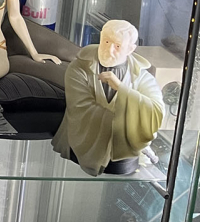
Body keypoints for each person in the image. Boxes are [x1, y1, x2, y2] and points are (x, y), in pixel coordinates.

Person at [52, 20, 163, 176]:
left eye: (117, 46)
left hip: (124, 158)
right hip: (84, 145)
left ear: (130, 49)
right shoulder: (80, 68)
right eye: (106, 41)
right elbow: (80, 108)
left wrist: (121, 88)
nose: (109, 50)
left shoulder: (140, 76)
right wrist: (129, 124)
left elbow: (156, 111)